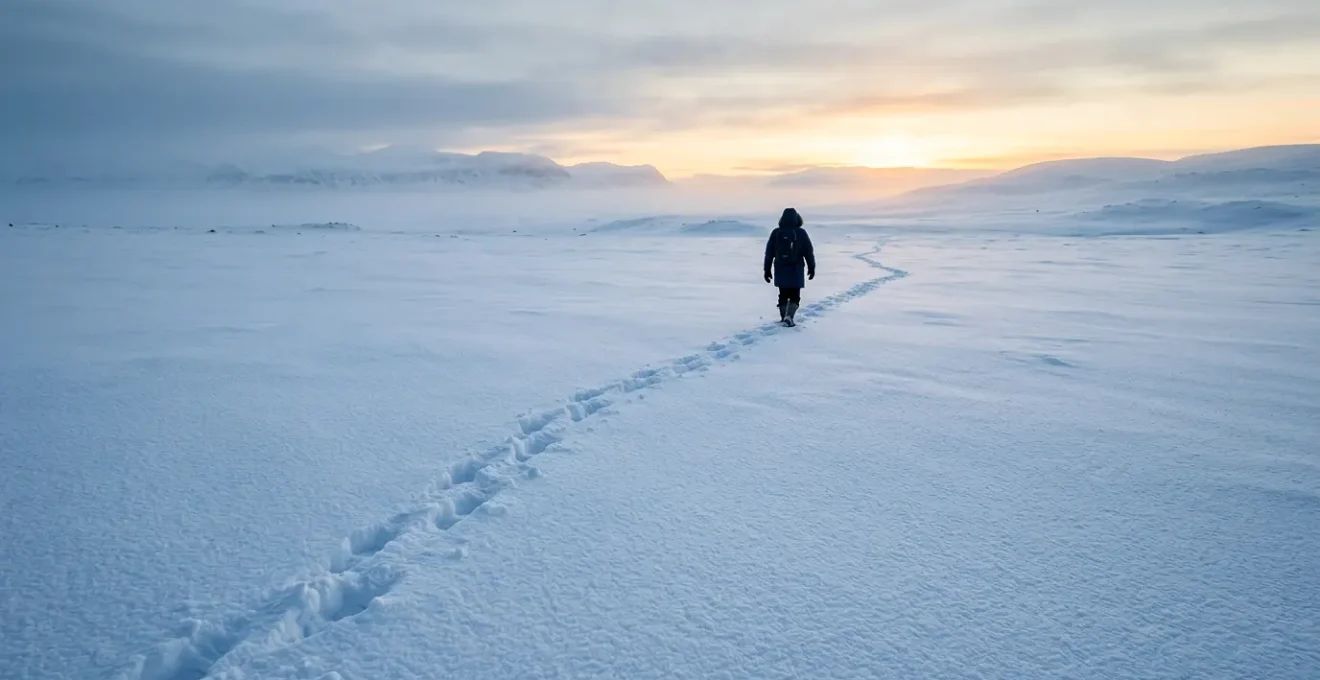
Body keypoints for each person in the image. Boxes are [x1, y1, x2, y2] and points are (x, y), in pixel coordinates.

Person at [763, 207, 816, 326]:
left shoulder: (776, 232)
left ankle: (784, 318)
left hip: (780, 268)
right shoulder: (801, 233)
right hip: (796, 269)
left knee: (783, 294)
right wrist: (811, 267)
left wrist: (767, 269)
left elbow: (769, 253)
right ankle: (789, 316)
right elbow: (808, 251)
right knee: (794, 296)